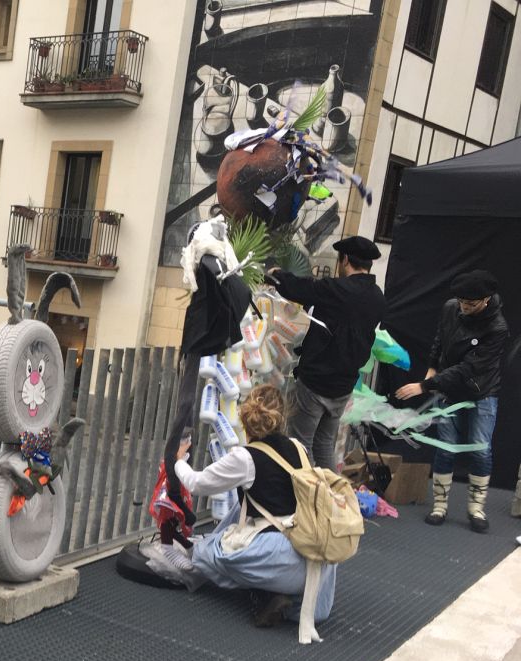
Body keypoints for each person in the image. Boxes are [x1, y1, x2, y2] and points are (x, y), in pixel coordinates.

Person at [175, 385, 338, 628]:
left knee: (206, 555)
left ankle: (263, 589)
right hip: (315, 554)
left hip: (279, 555)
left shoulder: (245, 457)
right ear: (283, 418)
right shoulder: (299, 448)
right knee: (242, 510)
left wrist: (178, 461)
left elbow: (196, 483)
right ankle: (277, 598)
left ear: (244, 418)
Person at [395, 269, 509, 533]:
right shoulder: (450, 309)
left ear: (486, 300)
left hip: (481, 391)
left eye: (470, 304)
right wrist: (432, 369)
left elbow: (470, 367)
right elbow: (439, 341)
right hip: (447, 389)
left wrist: (425, 385)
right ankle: (440, 506)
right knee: (445, 447)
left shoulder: (497, 327)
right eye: (461, 302)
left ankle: (476, 509)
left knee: (481, 450)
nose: (464, 307)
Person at [266, 235, 386, 471]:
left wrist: (276, 273)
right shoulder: (378, 298)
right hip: (344, 385)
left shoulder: (337, 290)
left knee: (300, 445)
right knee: (323, 444)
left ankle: (305, 499)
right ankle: (329, 498)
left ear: (345, 260)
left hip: (316, 382)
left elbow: (301, 288)